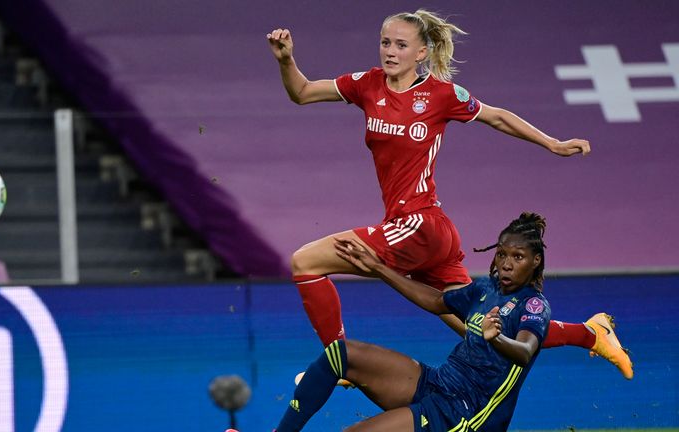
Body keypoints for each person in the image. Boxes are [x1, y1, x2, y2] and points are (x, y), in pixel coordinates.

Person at [266, 9, 632, 379]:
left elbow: (496, 116)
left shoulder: (440, 95)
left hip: (419, 224)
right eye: (385, 42)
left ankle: (338, 362)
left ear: (422, 53)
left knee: (306, 262)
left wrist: (552, 143)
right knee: (483, 329)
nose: (390, 52)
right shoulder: (366, 84)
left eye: (401, 45)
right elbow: (302, 92)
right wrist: (287, 60)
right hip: (424, 232)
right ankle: (591, 334)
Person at [275, 213, 551, 431]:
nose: (506, 263)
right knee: (340, 354)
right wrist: (380, 268)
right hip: (440, 383)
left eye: (518, 257)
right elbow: (436, 301)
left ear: (535, 261)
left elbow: (525, 352)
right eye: (502, 254)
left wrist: (498, 338)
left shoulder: (533, 306)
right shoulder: (485, 289)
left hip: (466, 412)